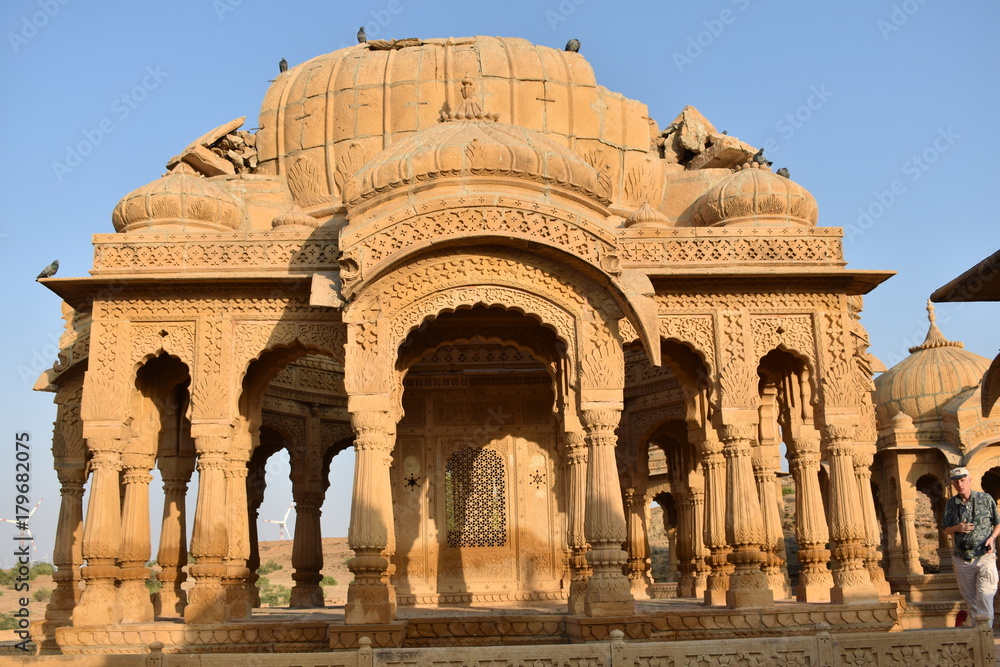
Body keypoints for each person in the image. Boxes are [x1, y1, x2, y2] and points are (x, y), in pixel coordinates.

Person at [942, 467, 1000, 629]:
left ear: (969, 481)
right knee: (971, 600)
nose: (960, 484)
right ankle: (977, 634)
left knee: (985, 595)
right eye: (956, 482)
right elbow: (945, 529)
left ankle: (986, 633)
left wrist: (992, 538)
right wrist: (957, 528)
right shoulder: (952, 504)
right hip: (962, 558)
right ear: (953, 484)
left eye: (962, 480)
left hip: (984, 556)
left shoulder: (985, 499)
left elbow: (998, 523)